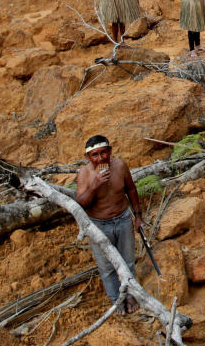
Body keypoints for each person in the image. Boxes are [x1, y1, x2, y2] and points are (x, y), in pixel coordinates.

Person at [76, 135, 145, 315]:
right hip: (98, 225)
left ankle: (131, 295)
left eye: (103, 153)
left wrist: (138, 216)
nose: (100, 158)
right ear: (88, 157)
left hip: (122, 219)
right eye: (95, 155)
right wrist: (94, 185)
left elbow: (131, 189)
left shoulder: (120, 166)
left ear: (110, 151)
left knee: (128, 261)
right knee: (107, 267)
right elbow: (82, 203)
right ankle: (117, 300)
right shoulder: (84, 174)